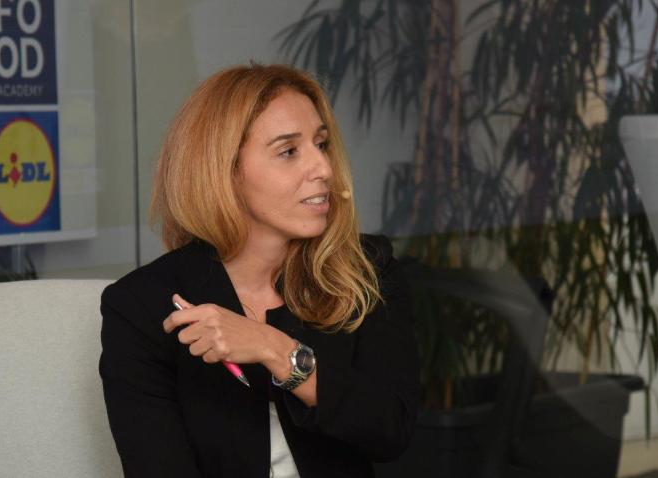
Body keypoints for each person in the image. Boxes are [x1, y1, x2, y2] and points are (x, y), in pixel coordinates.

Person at [99, 63, 420, 478]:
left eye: (321, 144)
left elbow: (390, 430)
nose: (323, 168)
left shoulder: (365, 269)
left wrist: (276, 350)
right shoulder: (141, 306)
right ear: (225, 171)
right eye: (288, 151)